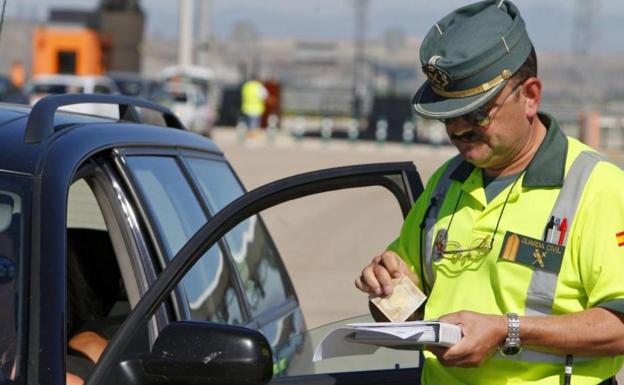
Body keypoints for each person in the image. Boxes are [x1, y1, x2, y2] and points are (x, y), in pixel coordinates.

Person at [355, 1, 624, 384]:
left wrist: (507, 330)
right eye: (447, 116)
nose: (459, 130)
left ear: (530, 95)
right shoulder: (447, 182)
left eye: (477, 112)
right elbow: (408, 312)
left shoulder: (596, 187)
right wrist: (385, 289)